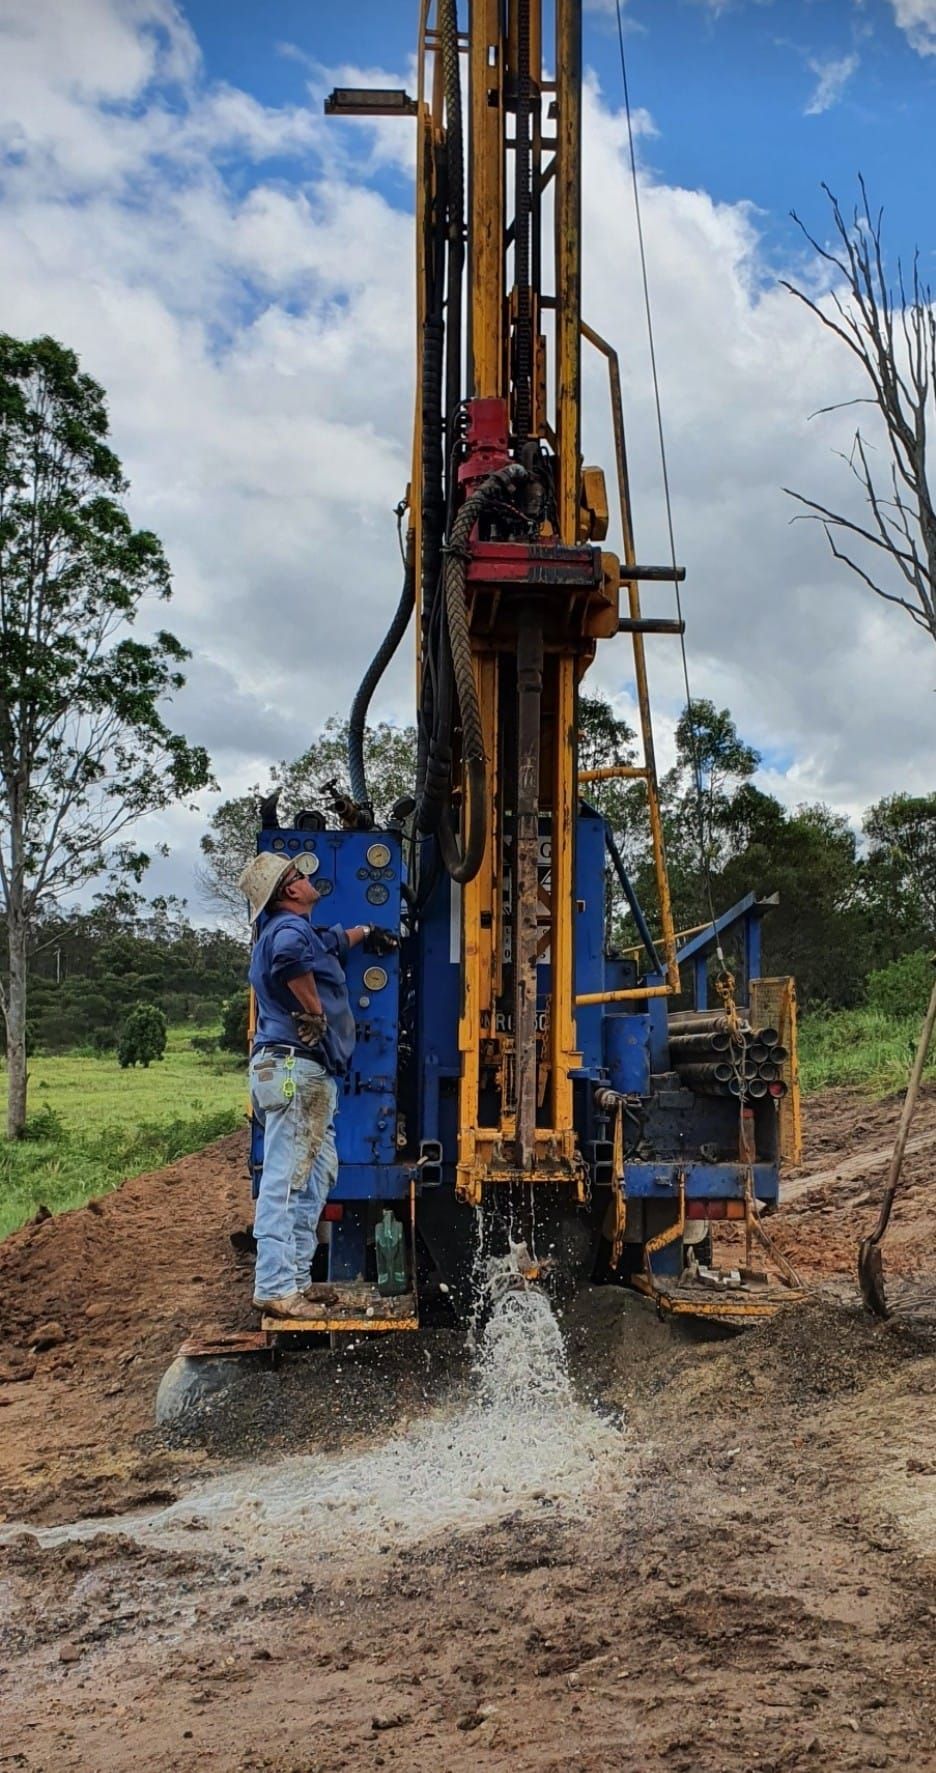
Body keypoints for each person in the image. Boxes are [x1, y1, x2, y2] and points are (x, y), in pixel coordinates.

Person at [237, 851, 396, 1320]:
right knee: (287, 1180)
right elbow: (292, 957)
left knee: (315, 1173)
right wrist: (315, 1012)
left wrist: (366, 932)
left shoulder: (298, 930)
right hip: (294, 1069)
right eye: (300, 874)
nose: (309, 878)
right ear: (288, 890)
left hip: (300, 1073)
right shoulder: (287, 932)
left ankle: (297, 1281)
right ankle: (274, 1286)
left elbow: (327, 942)